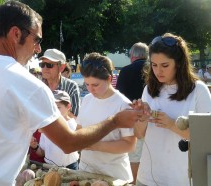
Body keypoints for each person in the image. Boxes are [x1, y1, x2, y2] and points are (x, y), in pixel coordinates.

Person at [0, 1, 149, 185]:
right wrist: (115, 121)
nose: (38, 49)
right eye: (36, 39)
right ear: (15, 33)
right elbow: (69, 142)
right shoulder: (27, 84)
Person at [134, 33, 211, 186]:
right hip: (147, 178)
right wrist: (141, 118)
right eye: (154, 65)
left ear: (179, 63)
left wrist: (171, 124)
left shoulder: (198, 90)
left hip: (182, 179)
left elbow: (206, 138)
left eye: (164, 65)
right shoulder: (149, 89)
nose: (158, 71)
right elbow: (139, 134)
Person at [77, 52, 136, 182]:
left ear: (109, 79)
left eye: (95, 85)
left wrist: (94, 145)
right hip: (86, 171)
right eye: (87, 84)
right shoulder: (86, 99)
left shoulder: (124, 105)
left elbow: (129, 145)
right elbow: (79, 129)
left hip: (113, 175)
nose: (90, 89)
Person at [116, 42, 149, 185]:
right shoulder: (153, 69)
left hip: (132, 119)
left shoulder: (125, 71)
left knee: (134, 158)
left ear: (132, 55)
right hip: (153, 118)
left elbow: (119, 97)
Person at [39, 90, 79, 170]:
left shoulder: (73, 125)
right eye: (51, 107)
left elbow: (69, 146)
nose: (54, 111)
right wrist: (34, 146)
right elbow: (42, 151)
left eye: (58, 107)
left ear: (68, 107)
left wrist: (49, 130)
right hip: (49, 166)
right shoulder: (47, 124)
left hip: (69, 167)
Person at [39, 49, 80, 117]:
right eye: (42, 64)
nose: (45, 68)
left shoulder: (71, 86)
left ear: (61, 67)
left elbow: (76, 117)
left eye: (50, 65)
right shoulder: (38, 86)